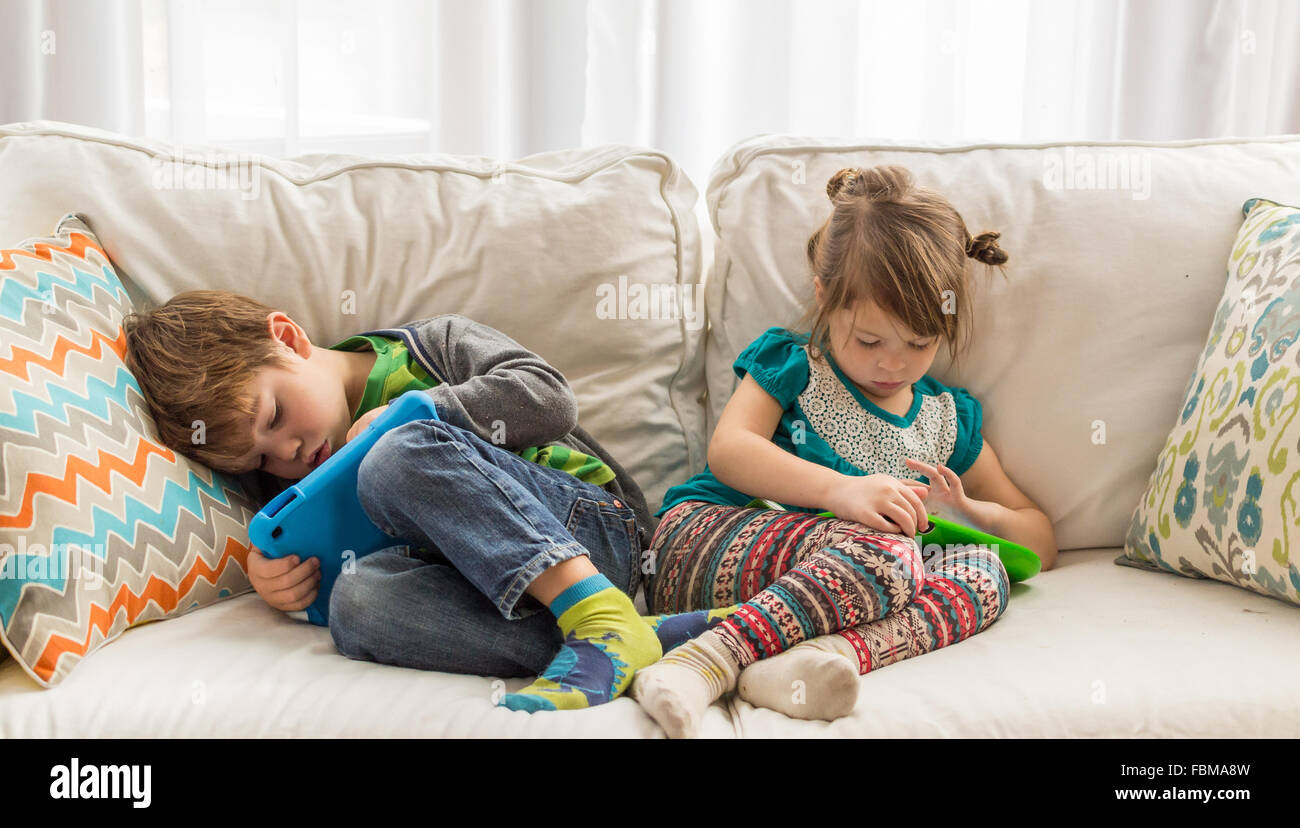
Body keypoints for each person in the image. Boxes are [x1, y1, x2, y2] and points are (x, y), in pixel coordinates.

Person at [123, 291, 736, 713]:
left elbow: (550, 400)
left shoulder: (432, 347)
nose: (286, 453)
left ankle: (597, 610)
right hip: (486, 591)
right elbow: (310, 542)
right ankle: (627, 634)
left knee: (393, 455)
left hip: (590, 531)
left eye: (275, 415)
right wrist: (269, 575)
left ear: (287, 338)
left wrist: (423, 414)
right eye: (259, 461)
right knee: (357, 602)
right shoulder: (290, 476)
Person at [631, 165, 1058, 738]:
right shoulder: (793, 367)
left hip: (843, 594)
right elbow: (731, 450)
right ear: (825, 298)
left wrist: (973, 516)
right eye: (869, 339)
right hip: (706, 542)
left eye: (919, 343)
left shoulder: (947, 421)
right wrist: (842, 491)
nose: (893, 363)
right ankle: (702, 662)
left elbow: (1039, 541)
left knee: (986, 574)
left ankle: (807, 660)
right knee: (894, 554)